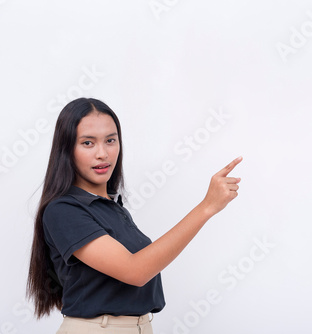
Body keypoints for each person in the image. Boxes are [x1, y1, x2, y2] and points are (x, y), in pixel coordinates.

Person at [27, 97, 242, 334]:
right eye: (88, 143)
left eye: (110, 140)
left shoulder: (113, 207)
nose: (102, 153)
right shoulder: (63, 210)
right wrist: (206, 208)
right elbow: (135, 271)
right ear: (67, 149)